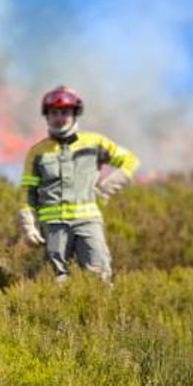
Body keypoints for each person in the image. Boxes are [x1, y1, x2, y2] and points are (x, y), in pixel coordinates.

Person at [18, 86, 138, 282]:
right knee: (57, 282)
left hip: (88, 224)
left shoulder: (94, 143)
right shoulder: (37, 153)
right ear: (47, 117)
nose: (59, 118)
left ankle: (100, 314)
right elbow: (28, 192)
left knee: (98, 280)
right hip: (54, 228)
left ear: (75, 114)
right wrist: (28, 225)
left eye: (65, 112)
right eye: (54, 113)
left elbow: (129, 162)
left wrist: (107, 188)